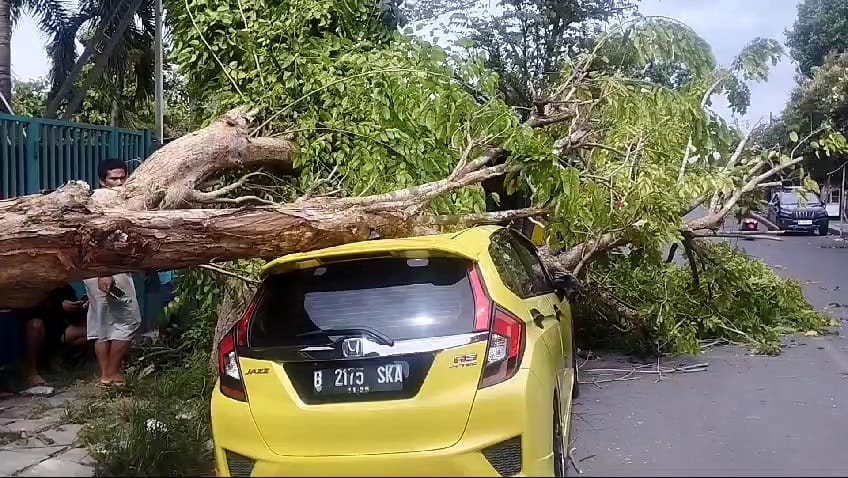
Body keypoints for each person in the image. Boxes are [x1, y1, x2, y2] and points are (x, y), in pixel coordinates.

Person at [83, 158, 141, 387]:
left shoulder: (102, 201)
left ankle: (106, 376)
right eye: (113, 179)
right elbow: (97, 237)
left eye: (122, 178)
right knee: (129, 319)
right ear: (102, 181)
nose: (118, 183)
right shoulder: (101, 203)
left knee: (101, 322)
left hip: (94, 269)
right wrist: (104, 271)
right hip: (107, 269)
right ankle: (111, 373)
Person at [17, 285, 88, 388]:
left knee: (91, 332)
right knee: (35, 325)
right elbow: (29, 313)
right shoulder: (30, 287)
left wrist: (80, 307)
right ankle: (32, 372)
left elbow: (75, 317)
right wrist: (59, 307)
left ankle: (66, 360)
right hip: (35, 331)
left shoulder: (63, 287)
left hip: (60, 330)